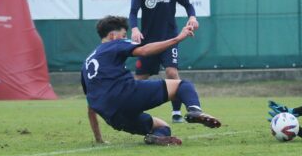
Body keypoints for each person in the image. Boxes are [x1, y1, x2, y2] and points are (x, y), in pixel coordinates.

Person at [82, 16, 221, 146]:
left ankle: (156, 137)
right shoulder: (114, 44)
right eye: (124, 35)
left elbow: (90, 106)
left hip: (113, 117)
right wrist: (178, 38)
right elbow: (143, 51)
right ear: (113, 35)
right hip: (125, 95)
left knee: (162, 126)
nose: (125, 39)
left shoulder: (87, 64)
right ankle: (195, 111)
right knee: (183, 86)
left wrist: (98, 138)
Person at [129, 0, 199, 124]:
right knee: (140, 79)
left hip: (169, 40)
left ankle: (176, 112)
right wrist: (135, 29)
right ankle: (131, 110)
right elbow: (133, 12)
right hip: (148, 44)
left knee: (171, 72)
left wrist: (192, 17)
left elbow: (188, 5)